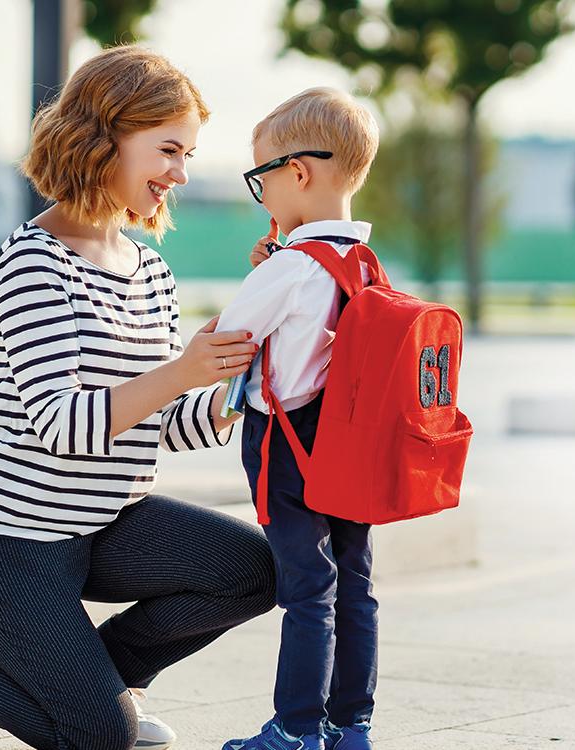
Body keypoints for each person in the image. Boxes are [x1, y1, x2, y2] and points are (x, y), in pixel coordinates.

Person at [0, 45, 276, 750]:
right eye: (168, 149)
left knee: (256, 570)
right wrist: (181, 371)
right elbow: (61, 426)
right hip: (0, 536)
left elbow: (160, 424)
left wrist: (234, 389)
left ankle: (101, 689)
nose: (180, 173)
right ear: (106, 135)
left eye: (187, 154)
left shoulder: (151, 273)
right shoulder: (32, 261)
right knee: (99, 739)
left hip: (102, 521)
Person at [216, 87, 381, 750]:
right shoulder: (366, 264)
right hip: (350, 444)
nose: (263, 197)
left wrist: (262, 281)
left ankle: (295, 729)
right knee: (354, 582)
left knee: (308, 587)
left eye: (263, 180)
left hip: (287, 445)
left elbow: (229, 340)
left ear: (299, 174)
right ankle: (352, 726)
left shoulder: (288, 269)